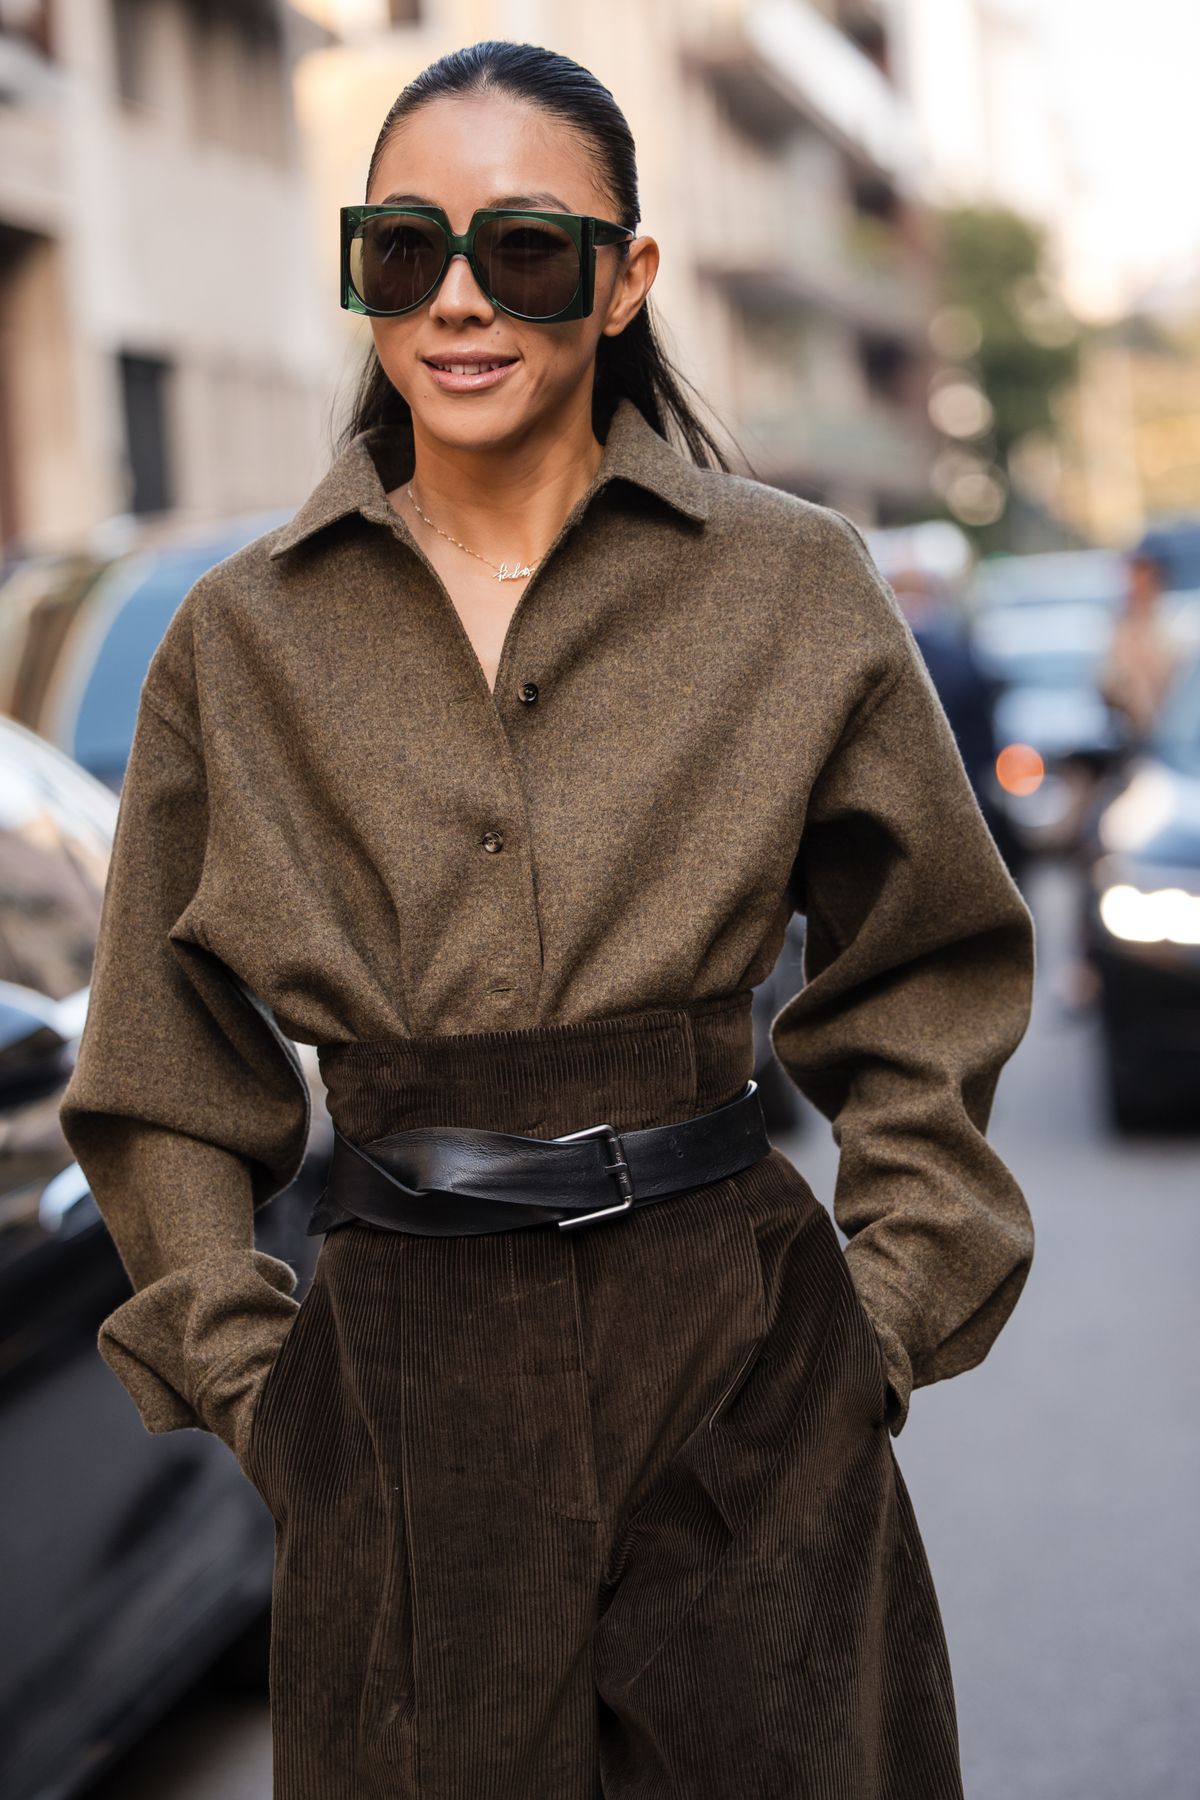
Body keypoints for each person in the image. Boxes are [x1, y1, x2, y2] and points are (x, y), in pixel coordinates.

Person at [59, 39, 1036, 1800]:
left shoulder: (792, 585)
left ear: (626, 275)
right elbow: (161, 1071)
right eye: (402, 249)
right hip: (404, 1388)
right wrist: (268, 1391)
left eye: (523, 248)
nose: (457, 302)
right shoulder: (242, 638)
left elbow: (929, 977)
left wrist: (867, 1328)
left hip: (742, 1351)